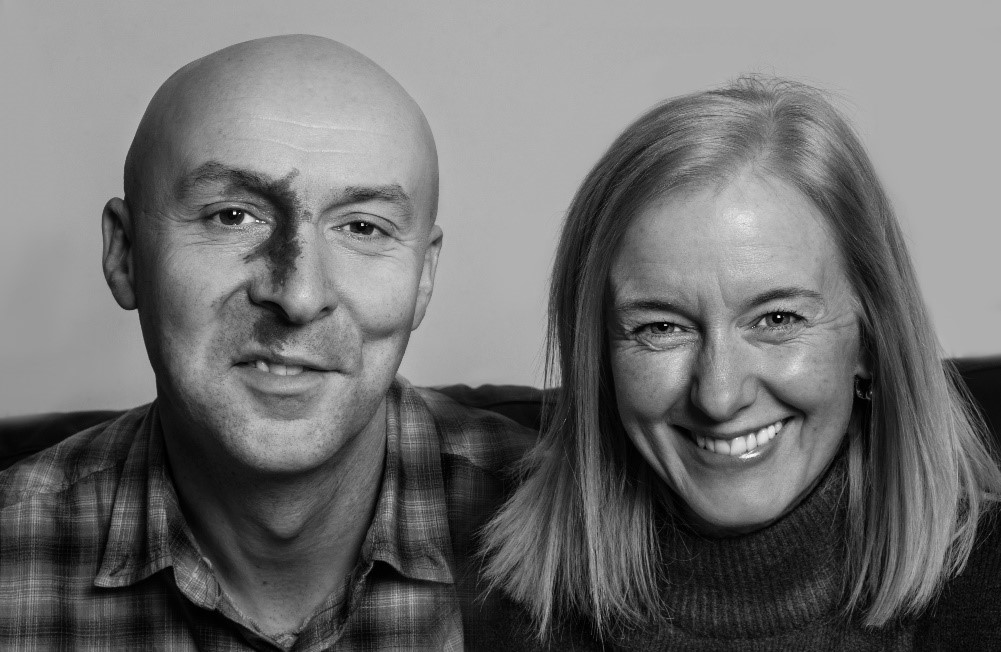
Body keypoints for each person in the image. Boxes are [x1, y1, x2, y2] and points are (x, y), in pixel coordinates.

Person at [0, 35, 533, 649]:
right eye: (232, 216)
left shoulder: (574, 531)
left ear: (424, 278)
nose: (299, 296)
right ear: (124, 254)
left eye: (363, 227)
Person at [483, 77, 1001, 649]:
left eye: (777, 319)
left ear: (871, 343)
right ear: (598, 360)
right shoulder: (512, 611)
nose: (719, 396)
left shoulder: (986, 589)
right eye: (661, 327)